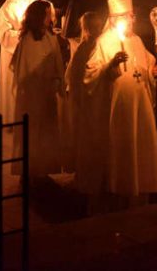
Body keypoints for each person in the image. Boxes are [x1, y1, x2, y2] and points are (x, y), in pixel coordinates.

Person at [84, 0, 157, 200]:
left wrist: (153, 72)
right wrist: (110, 65)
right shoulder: (104, 41)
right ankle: (119, 189)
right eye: (127, 16)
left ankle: (142, 188)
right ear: (114, 20)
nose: (132, 19)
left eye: (131, 15)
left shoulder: (137, 40)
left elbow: (145, 68)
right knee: (123, 147)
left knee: (141, 146)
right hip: (118, 106)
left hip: (141, 105)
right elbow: (90, 74)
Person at [10, 0, 65, 182]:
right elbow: (25, 71)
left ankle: (43, 168)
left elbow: (56, 61)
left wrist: (57, 79)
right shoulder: (28, 40)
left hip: (47, 93)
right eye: (48, 14)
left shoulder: (50, 36)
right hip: (33, 96)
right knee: (33, 132)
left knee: (46, 132)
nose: (51, 17)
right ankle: (30, 169)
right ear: (40, 16)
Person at [65, 12, 107, 207]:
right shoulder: (84, 48)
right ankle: (86, 180)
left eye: (100, 27)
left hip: (96, 101)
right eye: (94, 27)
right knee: (88, 141)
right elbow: (76, 77)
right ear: (87, 29)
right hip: (87, 102)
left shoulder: (96, 46)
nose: (97, 31)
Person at [0, 0, 38, 123]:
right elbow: (4, 34)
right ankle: (13, 119)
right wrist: (22, 35)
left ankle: (29, 119)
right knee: (13, 87)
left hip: (31, 51)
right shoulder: (6, 8)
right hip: (13, 53)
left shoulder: (35, 4)